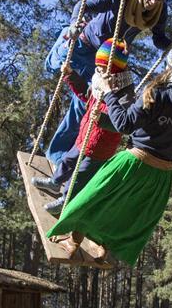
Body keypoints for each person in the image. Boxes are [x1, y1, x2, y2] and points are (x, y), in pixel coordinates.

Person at [47, 40, 172, 265]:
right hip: (161, 176)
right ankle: (105, 250)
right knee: (125, 212)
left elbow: (125, 123)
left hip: (133, 163)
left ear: (170, 64)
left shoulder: (158, 91)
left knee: (92, 200)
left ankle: (73, 242)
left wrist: (108, 93)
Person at [44, 0, 172, 166]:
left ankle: (58, 156)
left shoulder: (159, 11)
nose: (154, 1)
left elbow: (159, 38)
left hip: (102, 62)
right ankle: (62, 37)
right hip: (84, 43)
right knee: (53, 65)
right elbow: (83, 5)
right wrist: (74, 23)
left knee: (83, 104)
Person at [32, 38, 134, 215]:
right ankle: (55, 182)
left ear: (113, 70)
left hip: (100, 147)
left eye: (102, 68)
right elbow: (86, 95)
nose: (98, 70)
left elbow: (123, 122)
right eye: (98, 67)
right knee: (67, 161)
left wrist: (102, 119)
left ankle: (65, 200)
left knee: (79, 176)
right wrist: (71, 75)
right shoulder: (100, 81)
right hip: (84, 136)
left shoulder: (125, 93)